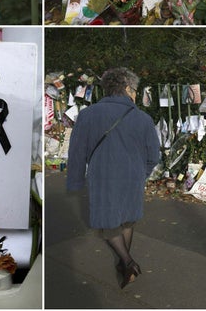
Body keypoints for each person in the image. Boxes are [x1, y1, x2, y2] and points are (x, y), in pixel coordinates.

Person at [65, 67, 160, 289]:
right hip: (133, 176)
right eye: (135, 90)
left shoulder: (88, 115)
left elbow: (77, 152)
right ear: (127, 88)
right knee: (127, 218)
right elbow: (153, 156)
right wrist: (141, 174)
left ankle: (127, 262)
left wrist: (76, 181)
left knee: (108, 222)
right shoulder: (143, 118)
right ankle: (125, 262)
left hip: (103, 177)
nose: (135, 94)